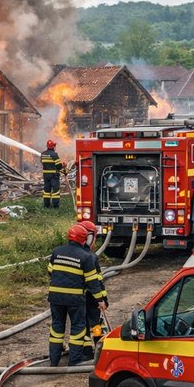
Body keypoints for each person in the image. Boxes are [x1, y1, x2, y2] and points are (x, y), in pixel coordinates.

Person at [48, 222, 108, 366]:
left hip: (55, 297)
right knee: (78, 327)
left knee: (57, 327)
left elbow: (51, 271)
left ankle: (54, 360)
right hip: (75, 299)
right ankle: (75, 361)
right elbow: (93, 282)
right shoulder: (87, 257)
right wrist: (101, 299)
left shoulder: (57, 251)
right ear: (85, 239)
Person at [78, 220, 105, 360]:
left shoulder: (73, 253)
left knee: (82, 323)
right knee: (95, 323)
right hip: (92, 296)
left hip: (78, 297)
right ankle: (99, 348)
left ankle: (86, 351)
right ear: (89, 237)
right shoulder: (91, 257)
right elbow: (97, 280)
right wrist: (102, 299)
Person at [41, 139, 64, 209]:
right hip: (54, 176)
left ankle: (46, 205)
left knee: (46, 191)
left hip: (46, 176)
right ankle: (55, 206)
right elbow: (59, 166)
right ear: (53, 146)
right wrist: (63, 166)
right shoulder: (54, 154)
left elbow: (43, 163)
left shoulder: (43, 154)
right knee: (55, 192)